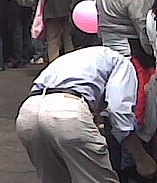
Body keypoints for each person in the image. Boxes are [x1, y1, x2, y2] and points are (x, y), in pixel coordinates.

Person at [16, 46, 157, 183]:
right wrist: (141, 157)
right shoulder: (122, 62)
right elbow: (118, 111)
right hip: (67, 111)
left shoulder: (76, 57)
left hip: (28, 112)